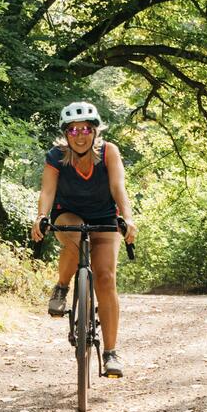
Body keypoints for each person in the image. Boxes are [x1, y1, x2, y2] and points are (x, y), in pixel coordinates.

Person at [31, 102, 136, 377]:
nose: (80, 135)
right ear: (66, 134)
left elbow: (118, 186)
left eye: (86, 129)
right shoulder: (56, 156)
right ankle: (62, 287)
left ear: (95, 131)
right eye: (74, 130)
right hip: (69, 214)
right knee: (75, 237)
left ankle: (111, 352)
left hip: (104, 216)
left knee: (105, 278)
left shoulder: (109, 152)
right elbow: (47, 190)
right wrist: (41, 216)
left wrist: (128, 218)